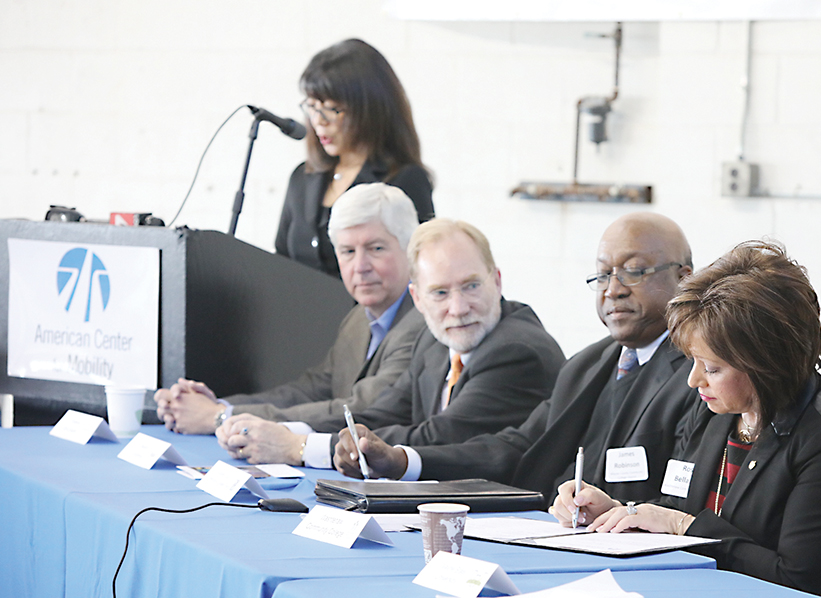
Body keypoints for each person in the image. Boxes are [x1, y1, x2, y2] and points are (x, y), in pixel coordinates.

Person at [562, 241, 821, 598]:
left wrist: (684, 528)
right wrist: (620, 512)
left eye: (711, 368)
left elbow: (794, 577)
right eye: (693, 362)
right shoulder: (717, 410)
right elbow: (678, 504)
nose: (694, 381)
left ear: (765, 362)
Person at [333, 212, 699, 505]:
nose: (614, 290)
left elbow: (684, 502)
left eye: (633, 271)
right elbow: (518, 448)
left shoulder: (699, 373)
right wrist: (402, 461)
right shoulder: (588, 365)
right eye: (604, 274)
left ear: (684, 279)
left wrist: (618, 515)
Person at [217, 218, 565, 467]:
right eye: (440, 293)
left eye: (471, 286)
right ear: (417, 298)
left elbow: (439, 437)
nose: (458, 309)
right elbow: (382, 412)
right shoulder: (434, 341)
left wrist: (301, 447)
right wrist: (283, 430)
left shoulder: (517, 351)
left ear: (498, 281)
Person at [155, 183, 426, 443]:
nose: (360, 266)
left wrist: (220, 417)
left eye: (376, 248)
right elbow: (312, 389)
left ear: (410, 248)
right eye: (347, 251)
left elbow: (364, 409)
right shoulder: (358, 317)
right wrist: (218, 404)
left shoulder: (422, 321)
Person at [277, 38, 434, 277]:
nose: (319, 121)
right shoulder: (303, 177)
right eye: (312, 106)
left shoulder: (405, 180)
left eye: (332, 108)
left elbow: (420, 271)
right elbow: (281, 262)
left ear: (369, 109)